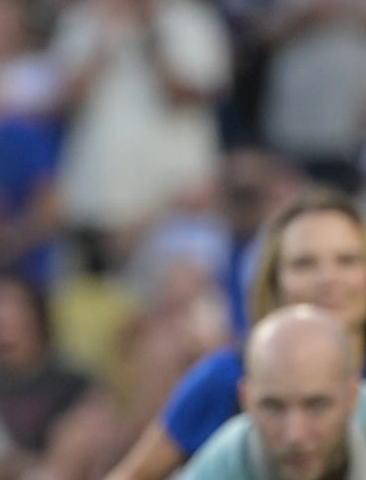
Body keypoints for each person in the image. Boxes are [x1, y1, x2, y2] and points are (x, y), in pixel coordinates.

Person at [106, 186, 366, 479]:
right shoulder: (223, 379)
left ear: (350, 396)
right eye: (303, 264)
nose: (328, 279)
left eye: (347, 260)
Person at [180, 304, 366, 479]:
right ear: (246, 400)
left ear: (351, 397)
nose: (295, 435)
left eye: (317, 406)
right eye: (274, 407)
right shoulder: (228, 460)